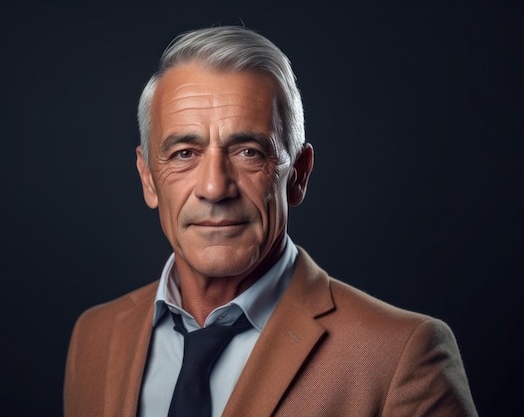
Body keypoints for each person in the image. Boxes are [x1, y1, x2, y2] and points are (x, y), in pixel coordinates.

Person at [63, 26, 478, 417]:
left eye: (248, 152)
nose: (214, 187)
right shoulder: (95, 336)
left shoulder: (401, 357)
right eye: (184, 153)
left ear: (298, 175)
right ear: (148, 179)